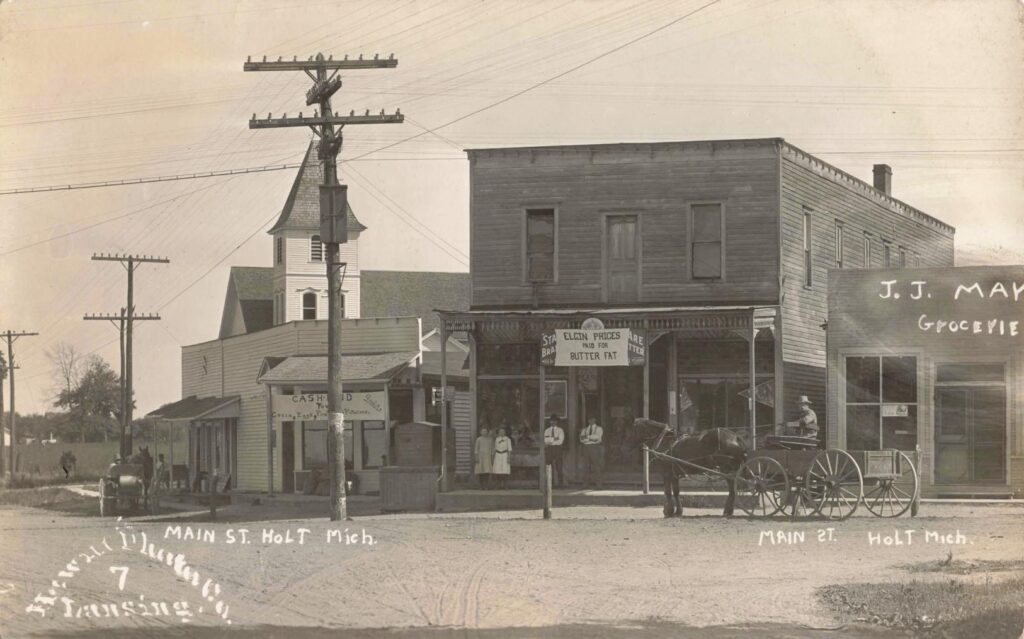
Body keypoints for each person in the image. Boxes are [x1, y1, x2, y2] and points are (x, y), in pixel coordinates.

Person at [579, 416, 604, 488]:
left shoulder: (599, 428)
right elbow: (581, 439)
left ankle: (599, 484)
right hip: (586, 448)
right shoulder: (585, 429)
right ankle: (585, 484)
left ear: (595, 420)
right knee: (586, 466)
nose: (590, 421)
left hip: (594, 447)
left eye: (592, 419)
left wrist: (587, 437)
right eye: (589, 419)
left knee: (596, 465)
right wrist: (591, 438)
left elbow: (597, 437)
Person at [543, 415, 565, 487]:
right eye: (551, 421)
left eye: (554, 421)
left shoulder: (560, 430)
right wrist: (554, 439)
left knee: (559, 466)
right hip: (549, 449)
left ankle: (560, 484)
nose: (553, 422)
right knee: (549, 466)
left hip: (557, 449)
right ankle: (550, 484)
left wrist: (550, 440)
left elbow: (560, 441)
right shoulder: (547, 430)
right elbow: (545, 441)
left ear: (557, 422)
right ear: (550, 422)